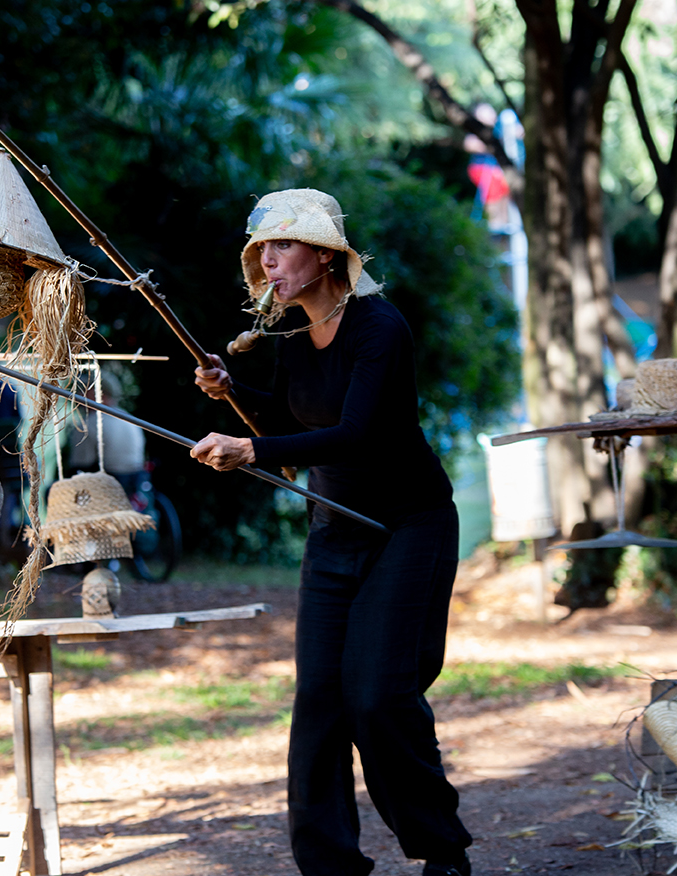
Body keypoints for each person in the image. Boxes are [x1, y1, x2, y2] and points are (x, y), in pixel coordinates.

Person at [190, 189, 472, 876]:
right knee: (317, 702)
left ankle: (441, 852)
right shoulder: (292, 336)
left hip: (408, 525)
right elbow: (292, 414)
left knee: (376, 698)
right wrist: (234, 393)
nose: (266, 260)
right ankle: (328, 865)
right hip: (335, 530)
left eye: (280, 246)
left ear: (323, 255)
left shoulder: (380, 329)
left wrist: (253, 452)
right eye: (261, 250)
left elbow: (355, 433)